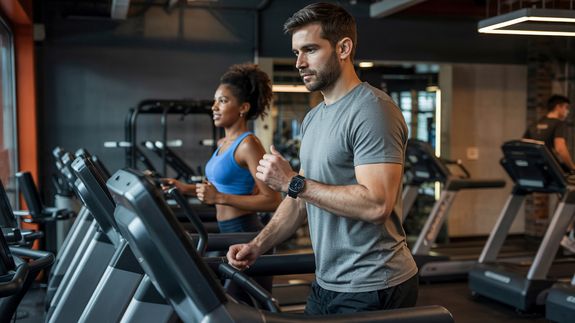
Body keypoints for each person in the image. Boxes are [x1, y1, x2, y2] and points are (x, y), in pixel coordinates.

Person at [227, 2, 418, 315]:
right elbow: (300, 198)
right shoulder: (315, 117)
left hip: (374, 285)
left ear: (343, 48)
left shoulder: (372, 110)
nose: (300, 62)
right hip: (327, 282)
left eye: (310, 50)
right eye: (296, 52)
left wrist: (292, 181)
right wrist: (257, 245)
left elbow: (376, 205)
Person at [163, 63, 282, 303]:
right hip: (226, 235)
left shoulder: (249, 145)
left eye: (223, 101)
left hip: (246, 235)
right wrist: (184, 188)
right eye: (215, 101)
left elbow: (272, 200)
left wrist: (219, 198)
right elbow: (221, 187)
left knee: (244, 311)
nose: (214, 107)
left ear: (243, 108)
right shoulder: (221, 144)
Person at [523, 94, 575, 253]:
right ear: (559, 107)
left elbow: (523, 145)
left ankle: (563, 235)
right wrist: (573, 167)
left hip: (538, 173)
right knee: (571, 195)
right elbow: (560, 148)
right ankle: (568, 235)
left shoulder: (536, 124)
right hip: (555, 170)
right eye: (566, 108)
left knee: (566, 199)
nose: (567, 112)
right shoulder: (559, 124)